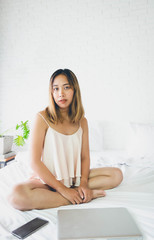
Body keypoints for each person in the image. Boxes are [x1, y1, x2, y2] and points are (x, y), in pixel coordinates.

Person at [9, 69, 123, 211]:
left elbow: (85, 157)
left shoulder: (82, 121)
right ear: (51, 92)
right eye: (56, 89)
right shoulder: (42, 117)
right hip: (49, 179)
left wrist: (83, 184)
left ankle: (72, 193)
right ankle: (78, 197)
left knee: (116, 175)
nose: (61, 94)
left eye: (66, 87)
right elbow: (34, 161)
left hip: (74, 177)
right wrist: (63, 189)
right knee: (16, 196)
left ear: (75, 89)